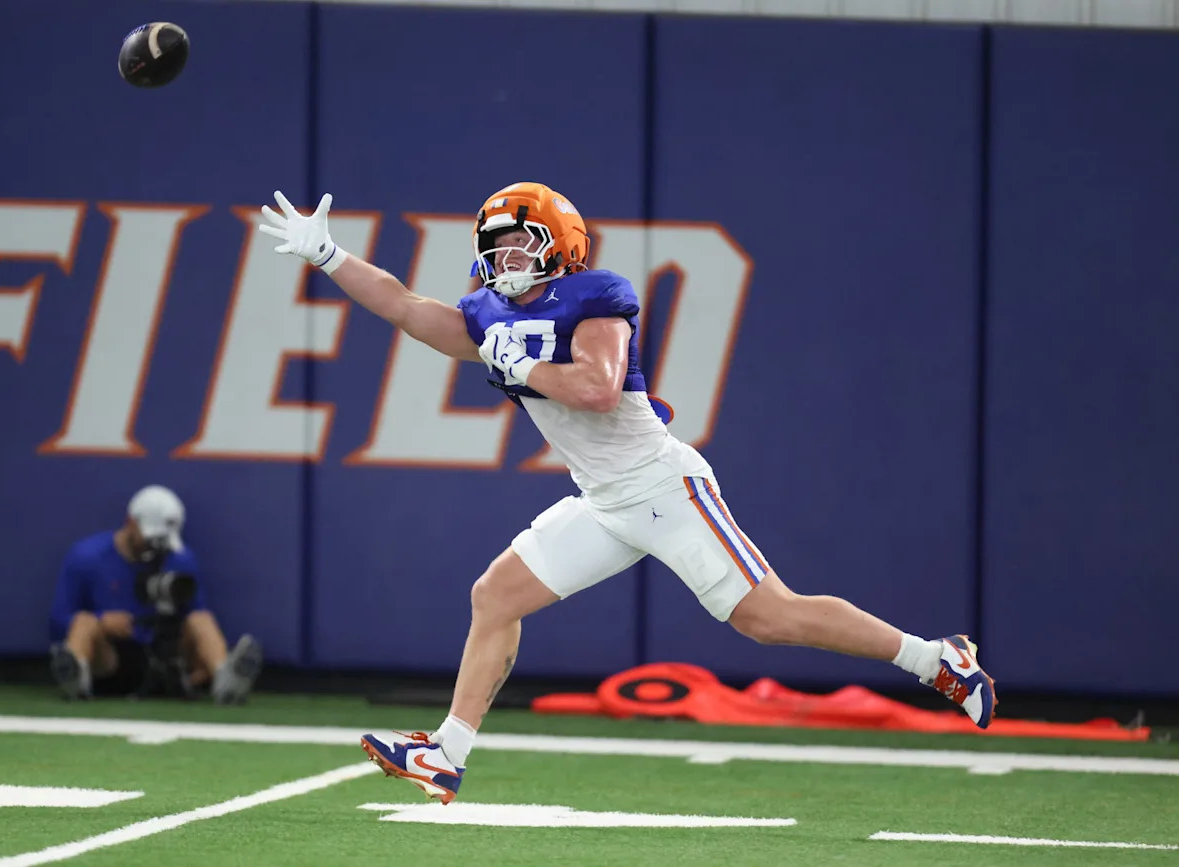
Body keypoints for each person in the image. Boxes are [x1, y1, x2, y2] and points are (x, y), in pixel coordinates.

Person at [258, 182, 996, 805]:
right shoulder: (490, 313)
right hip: (603, 497)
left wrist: (523, 368)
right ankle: (445, 752)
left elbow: (598, 388)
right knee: (496, 595)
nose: (504, 258)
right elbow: (403, 306)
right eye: (497, 245)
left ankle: (936, 659)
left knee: (770, 618)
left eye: (519, 243)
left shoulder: (594, 297)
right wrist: (329, 256)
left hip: (662, 486)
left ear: (558, 244)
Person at [48, 484, 263, 704]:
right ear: (131, 523)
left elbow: (195, 618)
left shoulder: (181, 559)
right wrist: (103, 622)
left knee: (201, 618)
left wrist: (200, 666)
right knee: (84, 622)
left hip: (166, 651)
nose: (155, 547)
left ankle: (225, 679)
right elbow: (58, 619)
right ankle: (76, 681)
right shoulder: (87, 556)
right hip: (111, 657)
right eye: (150, 539)